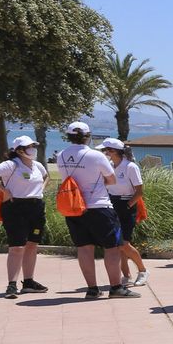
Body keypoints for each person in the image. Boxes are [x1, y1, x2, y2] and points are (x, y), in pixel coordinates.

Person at [56, 122, 139, 300]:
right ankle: (116, 287)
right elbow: (111, 180)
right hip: (99, 206)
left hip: (74, 208)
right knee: (112, 248)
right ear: (88, 135)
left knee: (84, 248)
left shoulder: (61, 155)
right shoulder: (96, 155)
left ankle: (92, 289)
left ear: (69, 136)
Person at [0, 135, 50, 298]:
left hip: (36, 207)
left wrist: (40, 190)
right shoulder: (11, 165)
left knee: (32, 245)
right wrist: (4, 190)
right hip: (15, 208)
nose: (32, 149)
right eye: (29, 146)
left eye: (34, 146)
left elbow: (46, 176)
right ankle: (12, 284)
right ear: (19, 150)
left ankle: (28, 282)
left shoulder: (38, 165)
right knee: (17, 247)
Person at [100, 138, 148, 286]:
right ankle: (126, 275)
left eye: (107, 150)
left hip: (126, 204)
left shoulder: (130, 167)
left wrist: (127, 206)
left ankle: (142, 271)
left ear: (114, 151)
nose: (105, 153)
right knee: (117, 244)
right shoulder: (109, 166)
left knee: (124, 243)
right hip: (111, 204)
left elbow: (139, 191)